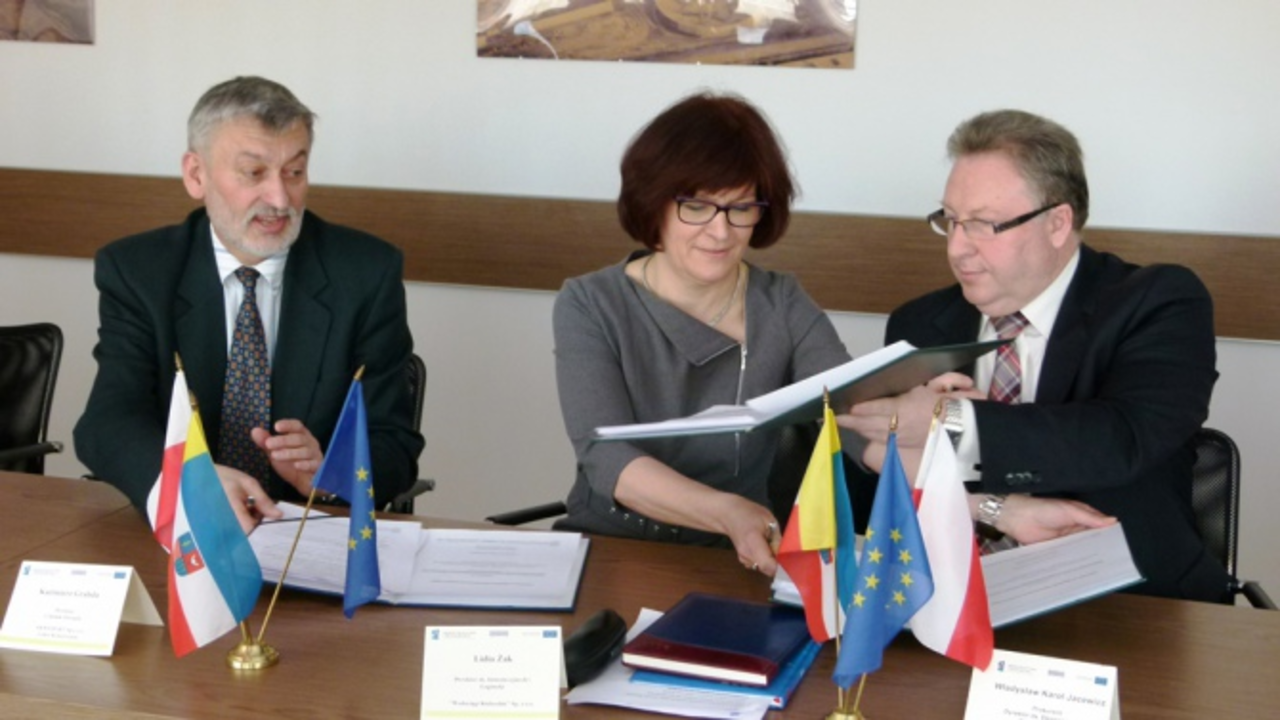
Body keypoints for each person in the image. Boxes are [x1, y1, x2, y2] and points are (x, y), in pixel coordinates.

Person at [839, 109, 1231, 602]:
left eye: (984, 225)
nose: (958, 248)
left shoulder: (1157, 301)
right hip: (955, 599)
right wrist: (990, 503)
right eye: (951, 221)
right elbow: (888, 467)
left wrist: (952, 423)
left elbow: (1122, 437)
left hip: (1130, 602)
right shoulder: (920, 323)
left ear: (1058, 223)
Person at [74, 76, 424, 532]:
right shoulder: (139, 271)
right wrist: (191, 482)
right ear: (196, 175)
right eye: (254, 173)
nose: (279, 199)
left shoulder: (365, 273)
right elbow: (107, 423)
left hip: (305, 536)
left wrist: (329, 473)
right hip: (183, 533)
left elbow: (395, 444)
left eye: (294, 172)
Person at [552, 92, 852, 576]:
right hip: (613, 547)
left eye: (741, 208)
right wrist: (726, 511)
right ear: (654, 204)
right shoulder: (590, 303)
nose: (720, 231)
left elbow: (851, 410)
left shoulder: (782, 302)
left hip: (738, 557)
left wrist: (914, 416)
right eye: (696, 206)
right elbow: (605, 457)